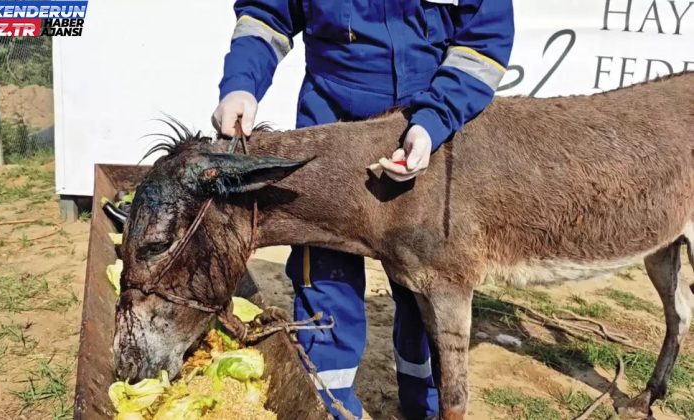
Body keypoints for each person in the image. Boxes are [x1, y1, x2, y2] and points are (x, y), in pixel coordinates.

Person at [212, 1, 514, 418]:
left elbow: (482, 43)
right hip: (332, 128)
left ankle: (424, 403)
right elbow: (267, 16)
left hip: (426, 131)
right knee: (325, 275)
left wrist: (433, 121)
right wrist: (241, 85)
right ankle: (330, 406)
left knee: (425, 283)